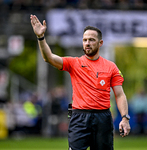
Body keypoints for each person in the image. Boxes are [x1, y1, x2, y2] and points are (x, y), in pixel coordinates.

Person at [30, 14, 131, 150]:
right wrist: (40, 37)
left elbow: (120, 95)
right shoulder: (74, 63)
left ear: (100, 43)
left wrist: (125, 118)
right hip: (79, 116)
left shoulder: (111, 67)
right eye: (84, 40)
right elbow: (49, 58)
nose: (87, 43)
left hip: (103, 117)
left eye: (91, 40)